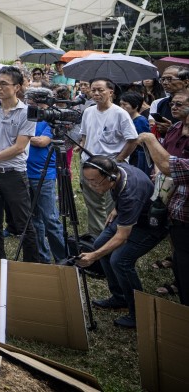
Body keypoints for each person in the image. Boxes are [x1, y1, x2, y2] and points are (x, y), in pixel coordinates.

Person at [76, 155, 168, 328]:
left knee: (120, 261)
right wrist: (117, 208)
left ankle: (139, 313)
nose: (91, 186)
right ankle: (119, 298)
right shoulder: (116, 169)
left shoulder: (130, 194)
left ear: (110, 177)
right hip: (129, 214)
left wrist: (93, 257)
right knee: (99, 244)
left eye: (95, 182)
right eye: (87, 181)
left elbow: (122, 237)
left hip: (149, 226)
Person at [0, 66, 39, 262]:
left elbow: (20, 147)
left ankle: (31, 265)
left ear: (17, 87)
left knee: (24, 223)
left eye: (4, 84)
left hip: (14, 173)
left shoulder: (28, 112)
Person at [76, 78, 139, 238]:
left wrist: (119, 159)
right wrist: (82, 145)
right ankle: (96, 237)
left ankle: (113, 237)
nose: (96, 93)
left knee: (113, 206)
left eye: (100, 90)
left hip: (110, 168)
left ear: (111, 92)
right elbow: (84, 135)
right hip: (89, 165)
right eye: (93, 90)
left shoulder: (120, 114)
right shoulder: (88, 111)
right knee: (93, 204)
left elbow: (133, 140)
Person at [140, 130, 189, 305]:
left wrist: (150, 139)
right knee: (181, 261)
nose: (174, 107)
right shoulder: (175, 128)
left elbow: (169, 166)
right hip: (178, 216)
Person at [26, 99, 68, 263]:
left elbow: (42, 141)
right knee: (34, 218)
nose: (30, 101)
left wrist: (22, 137)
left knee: (50, 218)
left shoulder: (51, 120)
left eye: (34, 98)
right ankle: (42, 258)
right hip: (25, 172)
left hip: (44, 174)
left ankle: (62, 259)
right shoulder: (28, 118)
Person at [119, 90, 152, 176]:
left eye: (125, 104)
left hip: (138, 158)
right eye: (121, 104)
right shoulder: (126, 120)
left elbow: (144, 144)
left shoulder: (141, 121)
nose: (122, 107)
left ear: (136, 106)